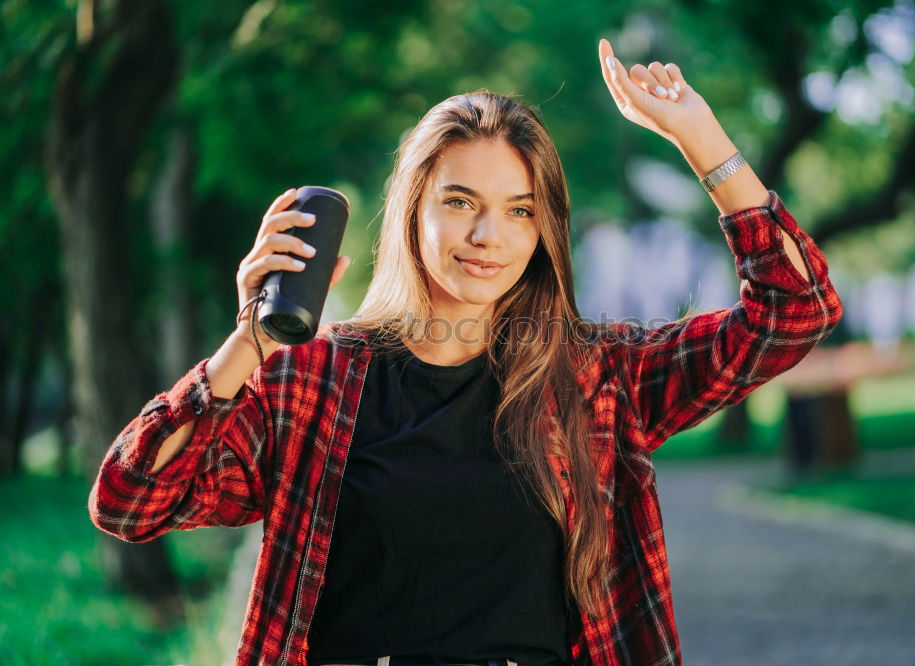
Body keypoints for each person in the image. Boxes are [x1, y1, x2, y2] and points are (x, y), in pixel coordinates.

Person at [88, 38, 843, 666]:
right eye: (460, 203)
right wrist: (248, 342)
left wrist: (700, 139)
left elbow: (794, 312)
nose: (490, 237)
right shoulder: (311, 380)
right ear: (412, 209)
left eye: (520, 211)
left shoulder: (593, 376)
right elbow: (130, 501)